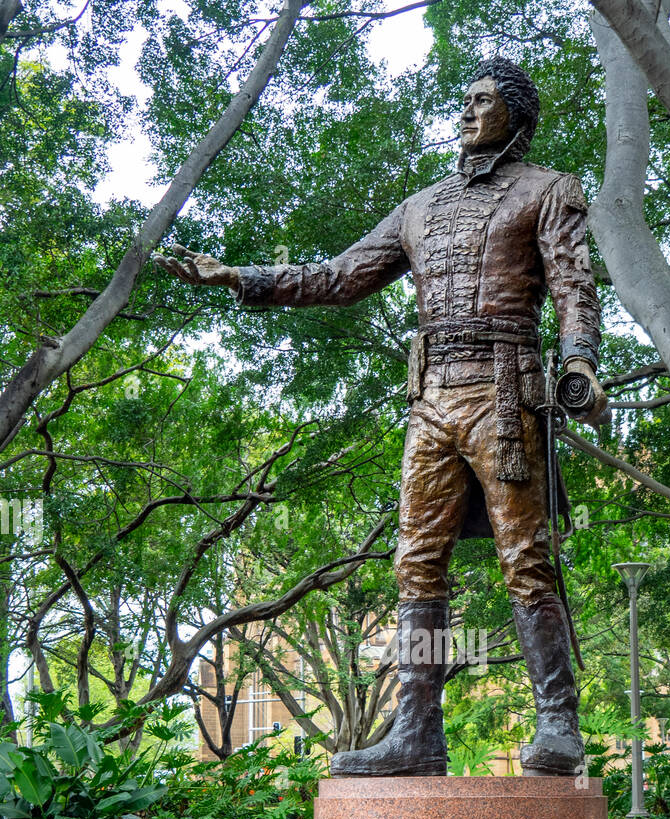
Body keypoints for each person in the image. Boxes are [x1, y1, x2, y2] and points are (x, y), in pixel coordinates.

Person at [155, 56, 605, 776]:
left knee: (525, 558)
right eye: (465, 98)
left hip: (504, 389)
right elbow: (340, 277)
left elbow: (575, 287)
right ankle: (417, 734)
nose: (467, 111)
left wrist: (578, 360)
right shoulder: (418, 208)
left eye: (483, 100)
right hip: (430, 400)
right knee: (415, 564)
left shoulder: (549, 191)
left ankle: (559, 724)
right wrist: (242, 277)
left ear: (515, 115)